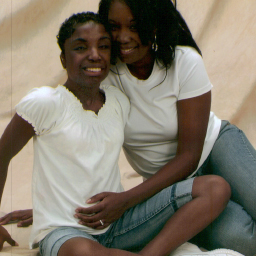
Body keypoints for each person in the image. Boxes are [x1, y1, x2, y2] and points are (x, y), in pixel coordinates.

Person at [1, 1, 254, 255]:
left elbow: (189, 156)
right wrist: (53, 208)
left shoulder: (182, 63)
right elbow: (74, 150)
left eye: (134, 26)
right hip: (166, 182)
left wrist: (125, 201)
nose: (123, 37)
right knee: (245, 241)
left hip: (213, 148)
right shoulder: (103, 76)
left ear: (152, 24)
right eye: (114, 27)